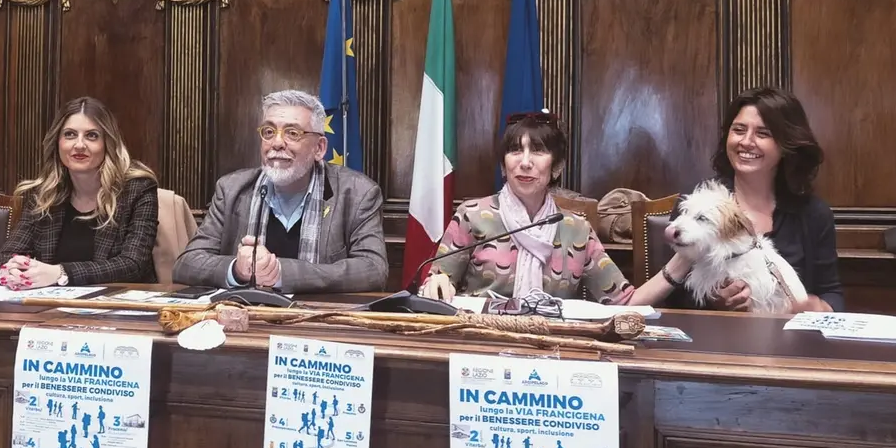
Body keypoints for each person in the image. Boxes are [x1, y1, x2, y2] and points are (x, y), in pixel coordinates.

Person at [419, 112, 675, 305]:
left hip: (552, 347)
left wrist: (682, 263)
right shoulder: (472, 215)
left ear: (557, 167)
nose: (525, 162)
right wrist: (437, 282)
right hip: (481, 345)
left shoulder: (576, 229)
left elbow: (626, 303)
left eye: (538, 151)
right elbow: (436, 286)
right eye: (515, 151)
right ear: (503, 166)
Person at [173, 89, 387, 293]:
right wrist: (237, 269)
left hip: (319, 316)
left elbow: (373, 270)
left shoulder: (358, 193)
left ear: (319, 148)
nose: (276, 143)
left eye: (292, 133)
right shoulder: (231, 189)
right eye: (268, 132)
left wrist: (280, 273)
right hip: (247, 313)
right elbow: (187, 264)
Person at [661, 86, 842, 312]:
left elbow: (831, 292)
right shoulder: (697, 201)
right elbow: (672, 297)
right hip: (714, 334)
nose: (746, 141)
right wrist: (713, 302)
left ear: (787, 144)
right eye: (738, 130)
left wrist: (820, 308)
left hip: (791, 332)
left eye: (763, 133)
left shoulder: (813, 213)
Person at [0, 97, 159, 289]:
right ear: (58, 142)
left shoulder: (137, 189)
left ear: (107, 143)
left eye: (92, 136)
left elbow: (133, 264)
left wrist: (61, 273)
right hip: (52, 304)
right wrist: (10, 270)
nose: (79, 145)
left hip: (119, 302)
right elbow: (3, 257)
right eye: (70, 134)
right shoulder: (44, 194)